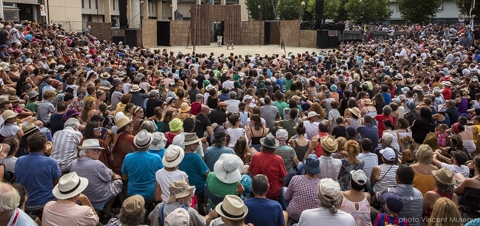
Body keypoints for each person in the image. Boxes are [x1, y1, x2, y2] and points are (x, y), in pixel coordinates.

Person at [70, 139, 123, 212]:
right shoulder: (97, 164)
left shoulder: (74, 163)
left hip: (79, 198)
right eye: (96, 150)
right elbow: (109, 177)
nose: (100, 153)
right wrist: (115, 176)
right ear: (87, 152)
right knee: (119, 181)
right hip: (97, 199)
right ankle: (107, 208)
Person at [14, 131, 60, 214]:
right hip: (45, 203)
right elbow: (57, 183)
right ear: (44, 146)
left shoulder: (19, 160)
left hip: (25, 203)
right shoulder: (51, 162)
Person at [151, 179, 217, 226]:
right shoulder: (189, 212)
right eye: (188, 193)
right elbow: (204, 222)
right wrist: (211, 215)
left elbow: (150, 217)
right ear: (179, 197)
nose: (192, 195)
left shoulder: (159, 207)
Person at [121, 129, 163, 201]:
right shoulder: (156, 158)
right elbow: (161, 177)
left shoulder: (128, 157)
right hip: (151, 194)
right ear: (149, 144)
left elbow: (124, 177)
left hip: (132, 193)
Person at [178, 132, 210, 215]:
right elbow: (206, 173)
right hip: (199, 188)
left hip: (187, 188)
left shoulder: (180, 156)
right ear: (190, 144)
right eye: (196, 143)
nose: (198, 145)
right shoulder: (196, 157)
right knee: (202, 210)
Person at [283, 154, 321, 223]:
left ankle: (286, 216)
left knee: (283, 190)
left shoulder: (296, 179)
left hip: (294, 215)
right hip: (312, 217)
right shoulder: (321, 184)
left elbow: (287, 197)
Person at [249, 134, 287, 200]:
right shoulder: (278, 159)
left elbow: (251, 171)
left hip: (256, 190)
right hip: (273, 192)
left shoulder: (256, 156)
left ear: (263, 146)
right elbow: (282, 178)